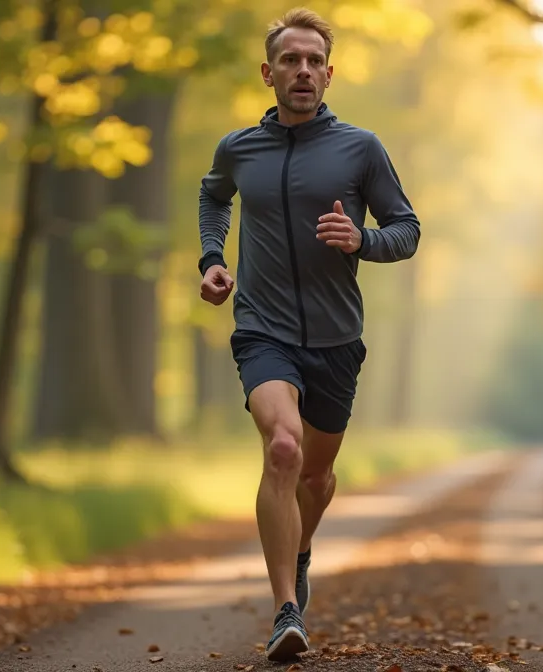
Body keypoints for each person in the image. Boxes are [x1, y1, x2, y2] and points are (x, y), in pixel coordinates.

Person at [195, 6, 421, 663]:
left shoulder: (360, 148)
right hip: (262, 331)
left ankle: (299, 549)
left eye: (313, 61)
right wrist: (212, 259)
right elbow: (213, 195)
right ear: (268, 73)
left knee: (316, 478)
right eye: (289, 60)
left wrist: (364, 239)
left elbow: (407, 229)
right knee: (284, 449)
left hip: (336, 339)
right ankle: (284, 610)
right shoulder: (240, 148)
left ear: (329, 74)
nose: (302, 70)